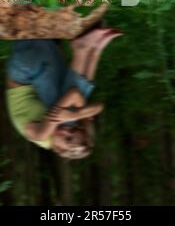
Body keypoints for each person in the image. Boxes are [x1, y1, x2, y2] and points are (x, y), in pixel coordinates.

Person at [6, 27, 123, 159]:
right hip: (36, 50)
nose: (66, 132)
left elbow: (74, 94)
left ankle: (85, 49)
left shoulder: (42, 135)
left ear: (58, 149)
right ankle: (94, 49)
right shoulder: (60, 128)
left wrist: (77, 114)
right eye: (73, 132)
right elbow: (94, 103)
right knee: (70, 114)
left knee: (66, 117)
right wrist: (77, 113)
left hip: (25, 66)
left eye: (67, 139)